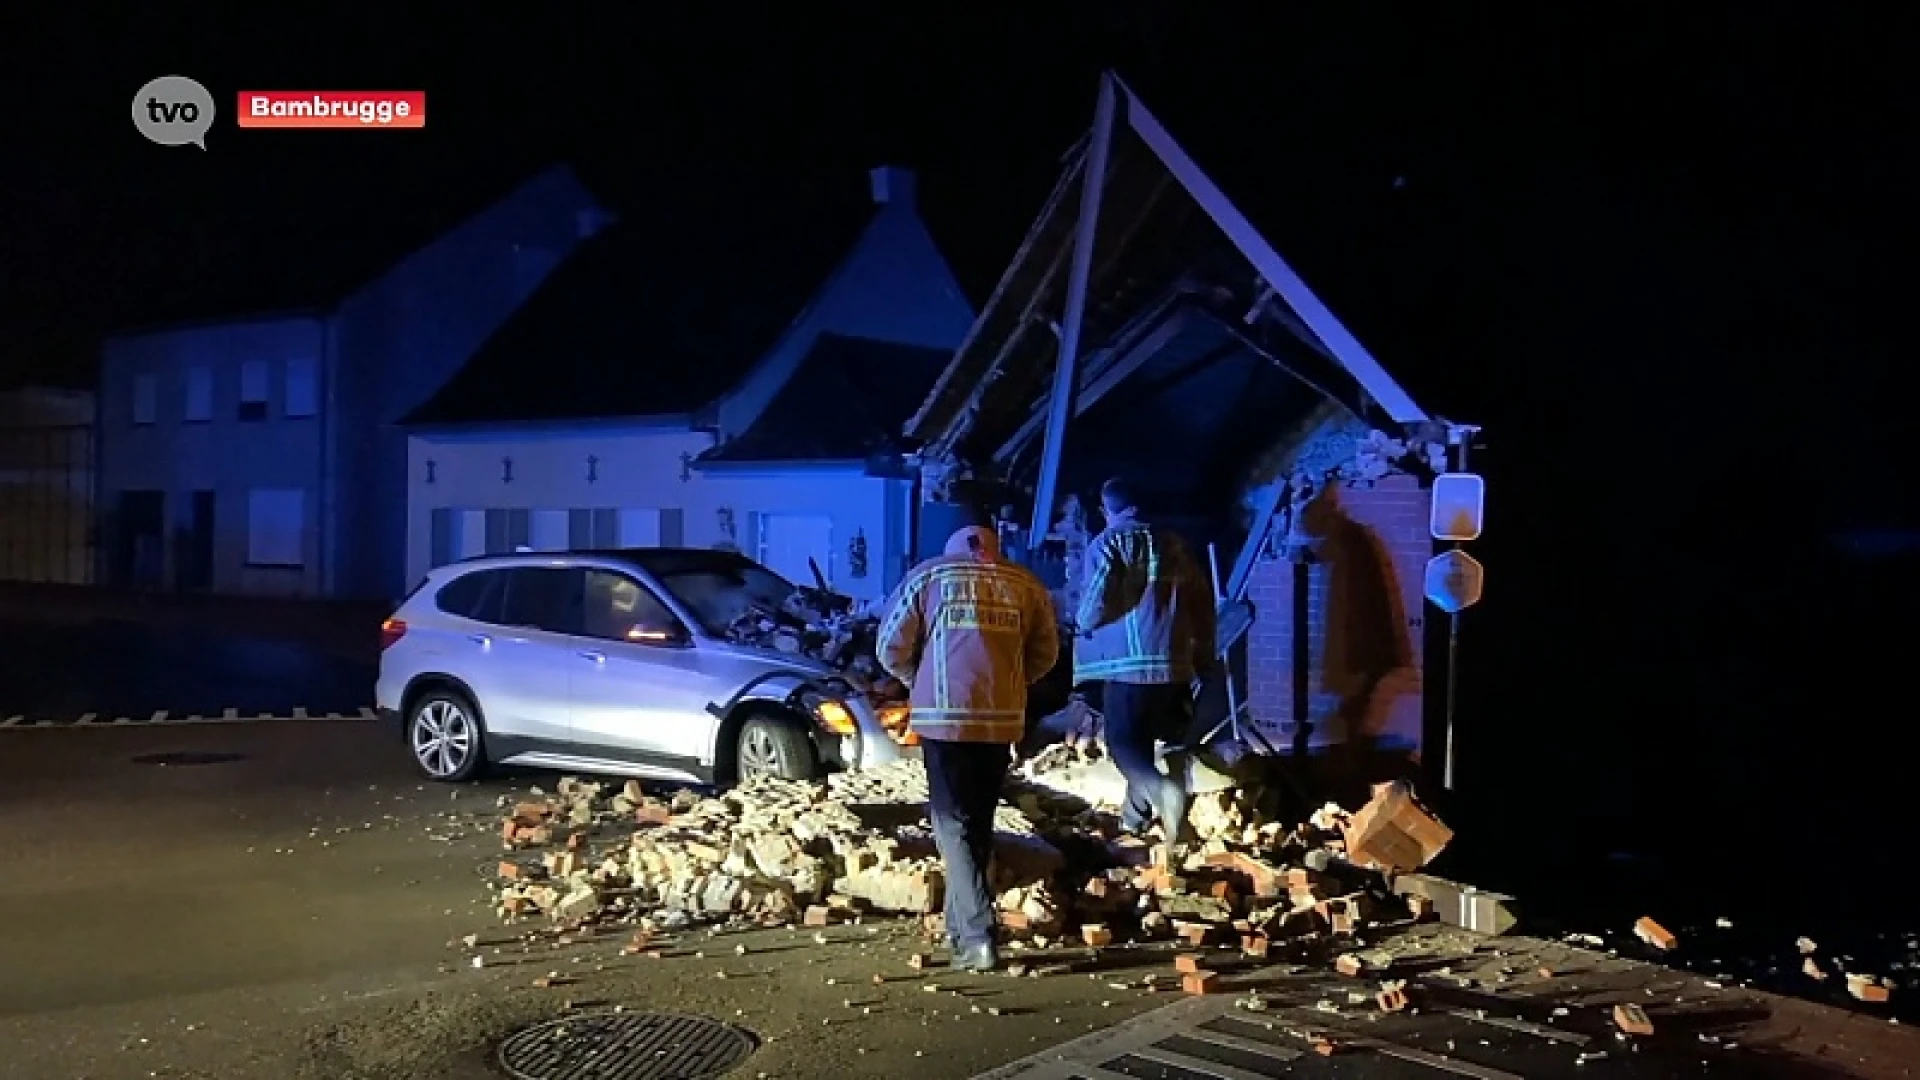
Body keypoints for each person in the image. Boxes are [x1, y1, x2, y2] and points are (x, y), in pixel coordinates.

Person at [876, 523, 1059, 972]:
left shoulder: (929, 577)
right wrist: (1010, 683)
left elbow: (890, 646)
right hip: (1001, 721)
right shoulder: (1026, 584)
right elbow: (1046, 654)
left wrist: (915, 680)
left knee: (950, 822)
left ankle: (978, 934)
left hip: (945, 717)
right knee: (976, 821)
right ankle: (962, 930)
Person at [1073, 477, 1217, 858]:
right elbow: (1203, 604)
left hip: (1129, 665)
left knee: (1123, 744)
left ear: (1108, 509)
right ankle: (1133, 821)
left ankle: (1165, 793)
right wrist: (1203, 655)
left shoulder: (1109, 542)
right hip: (1176, 664)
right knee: (1148, 743)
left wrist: (1081, 623)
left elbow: (1095, 603)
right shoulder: (1176, 544)